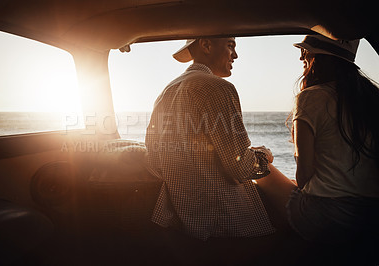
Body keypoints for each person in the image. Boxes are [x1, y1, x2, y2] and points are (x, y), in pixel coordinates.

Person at [145, 38, 276, 241]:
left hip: (178, 218)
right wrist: (263, 156)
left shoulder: (167, 91)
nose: (235, 55)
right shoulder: (218, 88)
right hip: (221, 220)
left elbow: (155, 161)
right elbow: (240, 167)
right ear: (206, 46)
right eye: (230, 46)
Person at [287, 34, 379, 246]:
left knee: (265, 176)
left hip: (327, 215)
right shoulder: (372, 98)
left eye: (304, 53)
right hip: (371, 216)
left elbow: (303, 178)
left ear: (317, 57)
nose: (302, 59)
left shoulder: (310, 97)